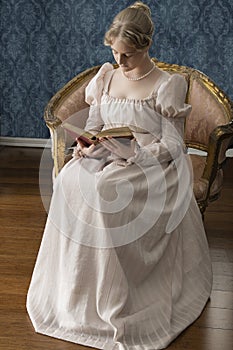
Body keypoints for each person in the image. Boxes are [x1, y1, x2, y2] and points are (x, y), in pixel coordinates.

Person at [27, 2, 212, 349]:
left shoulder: (166, 84)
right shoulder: (106, 77)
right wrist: (85, 145)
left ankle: (119, 294)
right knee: (70, 179)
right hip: (108, 152)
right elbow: (96, 125)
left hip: (151, 165)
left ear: (145, 47)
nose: (121, 62)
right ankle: (77, 291)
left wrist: (138, 155)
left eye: (127, 55)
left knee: (106, 188)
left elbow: (173, 145)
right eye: (115, 52)